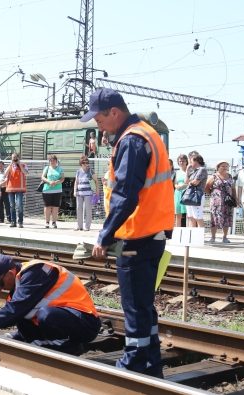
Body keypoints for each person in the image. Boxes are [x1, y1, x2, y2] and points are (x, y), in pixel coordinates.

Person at [86, 88, 174, 378]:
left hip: (136, 235)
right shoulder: (146, 133)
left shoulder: (132, 140)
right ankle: (151, 365)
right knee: (144, 308)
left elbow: (125, 194)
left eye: (98, 118)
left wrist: (105, 235)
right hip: (153, 233)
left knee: (135, 308)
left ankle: (133, 366)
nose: (97, 124)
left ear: (114, 112)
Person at [0, 255, 101, 354]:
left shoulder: (36, 272)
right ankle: (46, 343)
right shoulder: (20, 281)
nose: (0, 288)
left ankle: (68, 347)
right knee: (21, 314)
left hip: (86, 322)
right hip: (66, 319)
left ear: (10, 273)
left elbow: (16, 308)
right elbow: (16, 311)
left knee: (43, 314)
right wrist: (18, 335)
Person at [208, 160, 236, 244]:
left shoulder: (230, 176)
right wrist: (213, 194)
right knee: (214, 218)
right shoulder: (213, 176)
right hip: (216, 202)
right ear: (218, 167)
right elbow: (206, 187)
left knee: (227, 218)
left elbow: (233, 188)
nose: (225, 167)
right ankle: (213, 237)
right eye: (223, 166)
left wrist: (235, 198)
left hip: (227, 201)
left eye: (226, 166)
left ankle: (225, 237)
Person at [73, 156, 97, 231]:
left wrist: (96, 191)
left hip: (88, 193)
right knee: (79, 209)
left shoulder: (90, 171)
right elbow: (76, 182)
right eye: (85, 163)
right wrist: (75, 191)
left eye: (87, 162)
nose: (87, 164)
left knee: (88, 210)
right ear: (81, 164)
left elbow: (96, 181)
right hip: (79, 193)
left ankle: (87, 226)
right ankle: (79, 226)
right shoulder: (78, 171)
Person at [4, 153, 28, 228]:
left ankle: (20, 222)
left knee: (19, 205)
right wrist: (11, 164)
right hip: (11, 188)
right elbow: (5, 174)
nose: (14, 159)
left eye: (15, 157)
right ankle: (13, 222)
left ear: (18, 157)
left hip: (19, 188)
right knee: (12, 206)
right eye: (13, 157)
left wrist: (19, 164)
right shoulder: (10, 165)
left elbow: (26, 173)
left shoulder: (23, 165)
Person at [184, 153, 208, 228]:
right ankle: (193, 235)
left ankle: (201, 235)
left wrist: (190, 182)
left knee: (198, 216)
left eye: (191, 161)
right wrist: (187, 170)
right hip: (190, 195)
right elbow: (186, 181)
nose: (190, 164)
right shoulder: (194, 171)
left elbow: (195, 182)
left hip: (197, 195)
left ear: (196, 161)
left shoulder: (202, 169)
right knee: (191, 217)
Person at [41, 154, 64, 229]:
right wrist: (49, 182)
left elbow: (62, 178)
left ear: (56, 161)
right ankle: (47, 222)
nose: (52, 162)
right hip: (47, 190)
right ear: (49, 161)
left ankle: (54, 222)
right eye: (51, 160)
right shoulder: (46, 168)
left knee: (55, 207)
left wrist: (56, 182)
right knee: (47, 207)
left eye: (54, 160)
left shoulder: (60, 169)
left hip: (57, 190)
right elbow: (43, 177)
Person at [173, 154, 189, 227]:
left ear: (186, 162)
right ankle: (178, 231)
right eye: (180, 161)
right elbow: (175, 183)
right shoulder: (177, 172)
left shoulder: (189, 171)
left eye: (183, 161)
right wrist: (177, 187)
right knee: (178, 213)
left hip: (187, 193)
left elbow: (190, 183)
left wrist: (184, 186)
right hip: (178, 193)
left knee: (188, 214)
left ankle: (188, 231)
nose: (181, 162)